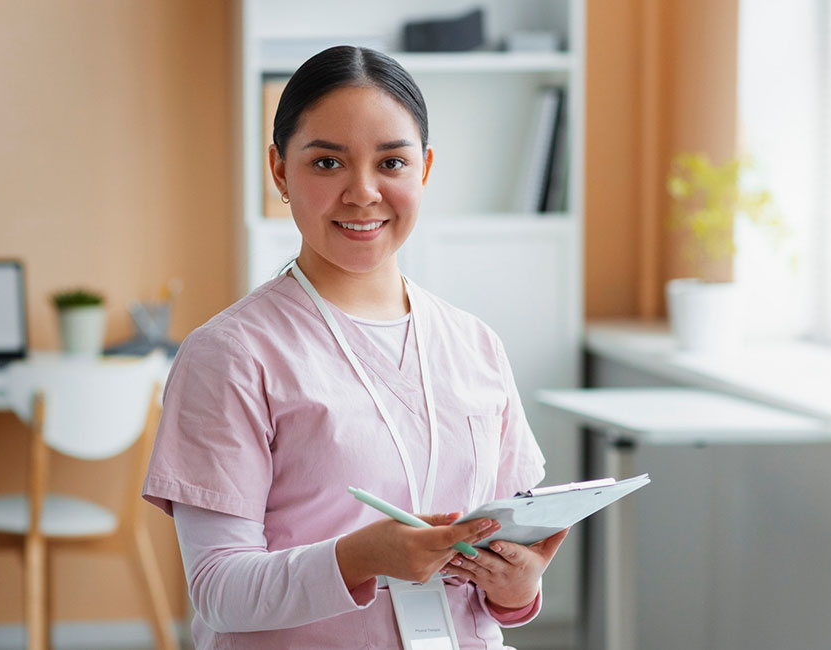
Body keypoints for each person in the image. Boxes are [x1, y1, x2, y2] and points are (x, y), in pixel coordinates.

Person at [142, 45, 568, 649]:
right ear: (280, 172)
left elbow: (504, 574)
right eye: (327, 164)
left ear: (423, 170)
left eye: (391, 162)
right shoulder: (231, 355)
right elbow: (218, 589)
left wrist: (517, 586)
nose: (363, 192)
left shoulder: (474, 344)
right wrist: (359, 557)